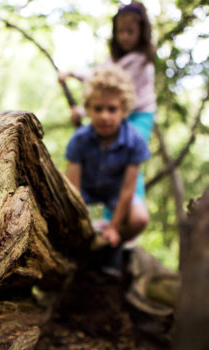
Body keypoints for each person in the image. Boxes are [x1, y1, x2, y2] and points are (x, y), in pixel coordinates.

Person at [59, 1, 156, 201]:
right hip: (115, 111)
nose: (125, 37)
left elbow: (115, 95)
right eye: (121, 32)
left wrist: (84, 113)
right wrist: (72, 73)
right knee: (108, 163)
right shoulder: (113, 59)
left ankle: (132, 206)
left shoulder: (140, 60)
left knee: (129, 156)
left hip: (139, 114)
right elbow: (98, 75)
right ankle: (109, 218)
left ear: (141, 32)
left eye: (130, 31)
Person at [65, 64, 150, 254]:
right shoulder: (79, 140)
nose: (104, 116)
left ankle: (110, 242)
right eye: (98, 109)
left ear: (124, 110)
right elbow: (72, 190)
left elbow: (128, 189)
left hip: (115, 192)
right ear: (87, 109)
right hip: (85, 190)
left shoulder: (134, 141)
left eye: (112, 109)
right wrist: (79, 223)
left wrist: (114, 227)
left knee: (140, 218)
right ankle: (81, 241)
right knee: (60, 217)